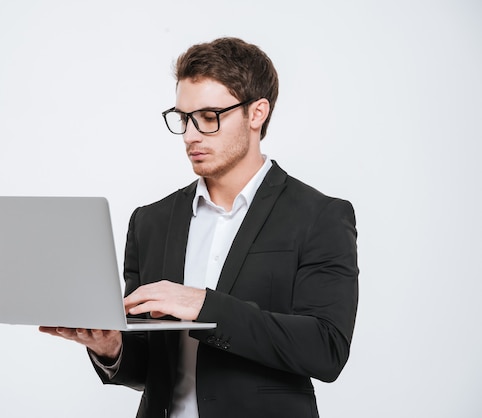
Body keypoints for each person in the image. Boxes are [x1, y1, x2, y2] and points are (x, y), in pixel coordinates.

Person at [40, 37, 359, 418]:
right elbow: (149, 368)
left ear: (257, 113)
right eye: (183, 118)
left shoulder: (319, 216)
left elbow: (326, 351)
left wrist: (204, 305)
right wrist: (111, 346)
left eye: (209, 118)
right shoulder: (151, 221)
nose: (191, 135)